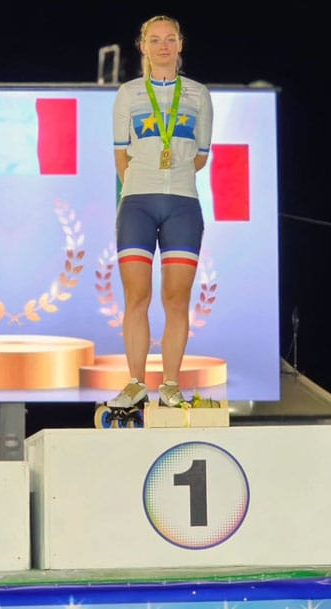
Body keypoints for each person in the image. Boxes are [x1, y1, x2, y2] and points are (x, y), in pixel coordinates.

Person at [108, 15, 213, 410]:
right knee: (137, 296)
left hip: (183, 203)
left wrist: (172, 176)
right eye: (155, 40)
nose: (163, 47)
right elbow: (121, 155)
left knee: (176, 299)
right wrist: (144, 182)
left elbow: (200, 156)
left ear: (181, 45)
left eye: (170, 39)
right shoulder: (129, 93)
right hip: (137, 202)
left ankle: (170, 384)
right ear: (143, 46)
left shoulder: (199, 95)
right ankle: (135, 383)